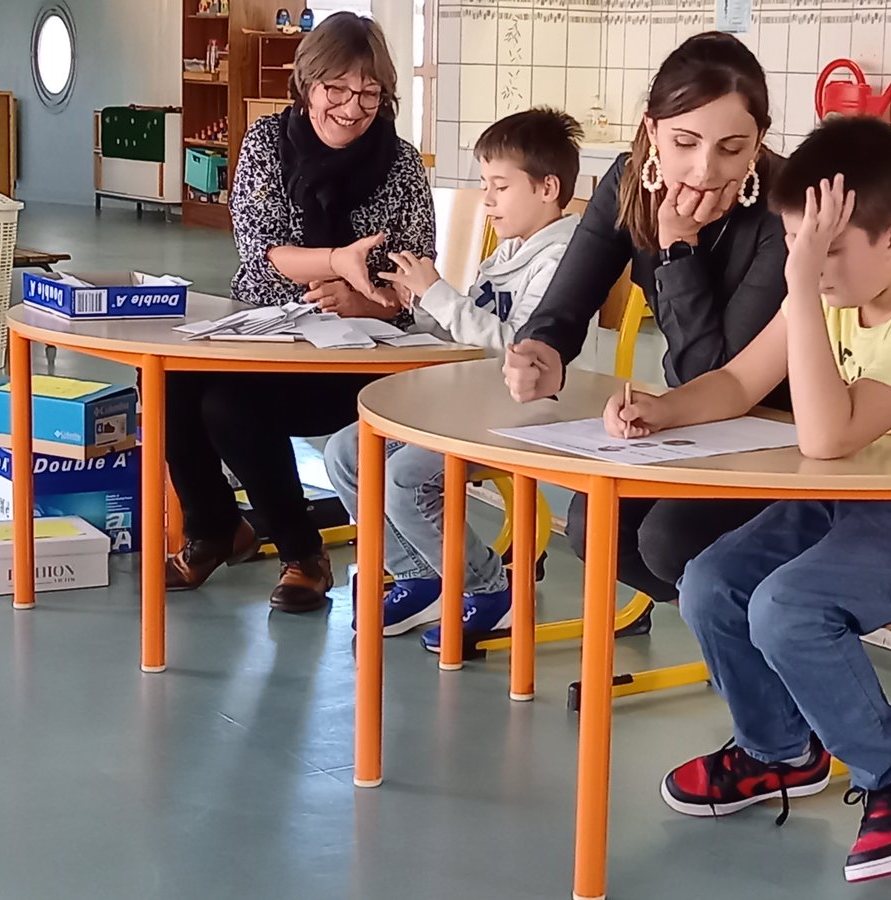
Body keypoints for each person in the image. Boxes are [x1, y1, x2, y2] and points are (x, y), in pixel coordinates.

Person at [605, 118, 891, 882]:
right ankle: (777, 750)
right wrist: (659, 408)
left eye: (826, 249)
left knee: (787, 608)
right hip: (864, 498)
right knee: (712, 581)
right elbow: (744, 380)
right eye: (800, 247)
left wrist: (801, 286)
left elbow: (828, 436)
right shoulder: (847, 288)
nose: (808, 267)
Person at [503, 32, 788, 608]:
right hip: (692, 422)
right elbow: (564, 304)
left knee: (668, 538)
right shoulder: (629, 180)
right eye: (685, 141)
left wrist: (677, 249)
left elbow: (714, 373)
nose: (704, 169)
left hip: (779, 428)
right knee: (595, 525)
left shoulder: (784, 207)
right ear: (652, 129)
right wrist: (543, 351)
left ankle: (747, 635)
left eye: (732, 149)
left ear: (759, 142)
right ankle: (736, 630)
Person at [164, 13, 434, 614]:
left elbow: (418, 279)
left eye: (369, 93)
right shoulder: (266, 143)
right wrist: (339, 260)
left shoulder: (402, 164)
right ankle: (214, 528)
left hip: (362, 357)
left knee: (230, 406)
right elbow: (261, 251)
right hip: (268, 333)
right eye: (336, 89)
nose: (352, 106)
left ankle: (302, 553)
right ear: (306, 84)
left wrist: (364, 300)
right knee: (169, 379)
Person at [324, 108, 583, 651]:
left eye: (499, 186)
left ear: (548, 188)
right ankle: (420, 574)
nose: (487, 200)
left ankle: (489, 588)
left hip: (523, 411)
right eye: (484, 185)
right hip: (469, 400)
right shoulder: (509, 250)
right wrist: (414, 303)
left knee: (403, 480)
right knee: (345, 454)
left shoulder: (564, 257)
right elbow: (465, 331)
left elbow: (521, 350)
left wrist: (441, 292)